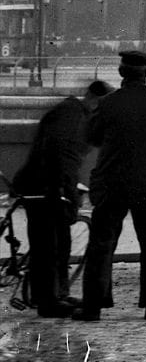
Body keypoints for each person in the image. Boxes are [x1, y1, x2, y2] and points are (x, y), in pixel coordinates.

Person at [75, 50, 146, 322]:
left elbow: (92, 137)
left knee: (101, 245)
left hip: (113, 183)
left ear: (121, 73)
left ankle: (92, 307)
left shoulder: (107, 104)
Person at [8, 80, 110, 317]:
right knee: (49, 245)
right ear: (96, 101)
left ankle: (56, 294)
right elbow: (60, 157)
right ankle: (48, 301)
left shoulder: (72, 113)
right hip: (46, 188)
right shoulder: (73, 117)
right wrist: (65, 191)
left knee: (58, 241)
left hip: (47, 185)